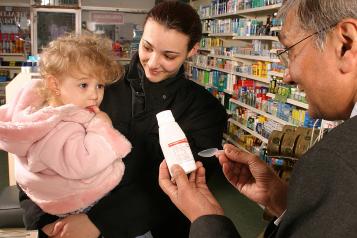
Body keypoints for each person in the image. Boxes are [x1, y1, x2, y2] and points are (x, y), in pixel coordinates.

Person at [19, 1, 228, 238]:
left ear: (192, 50)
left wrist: (99, 223)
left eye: (169, 55)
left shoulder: (205, 110)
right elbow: (39, 143)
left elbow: (184, 187)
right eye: (147, 47)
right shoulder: (98, 85)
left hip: (151, 227)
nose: (152, 62)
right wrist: (43, 219)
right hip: (66, 222)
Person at [158, 0, 357, 237]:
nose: (287, 76)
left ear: (345, 44)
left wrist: (205, 217)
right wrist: (283, 202)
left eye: (291, 52)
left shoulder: (337, 163)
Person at [0, 33, 140, 233]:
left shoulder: (39, 113)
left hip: (47, 199)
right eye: (84, 85)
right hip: (73, 203)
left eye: (99, 86)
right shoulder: (62, 126)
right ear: (55, 85)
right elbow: (85, 163)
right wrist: (101, 127)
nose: (95, 95)